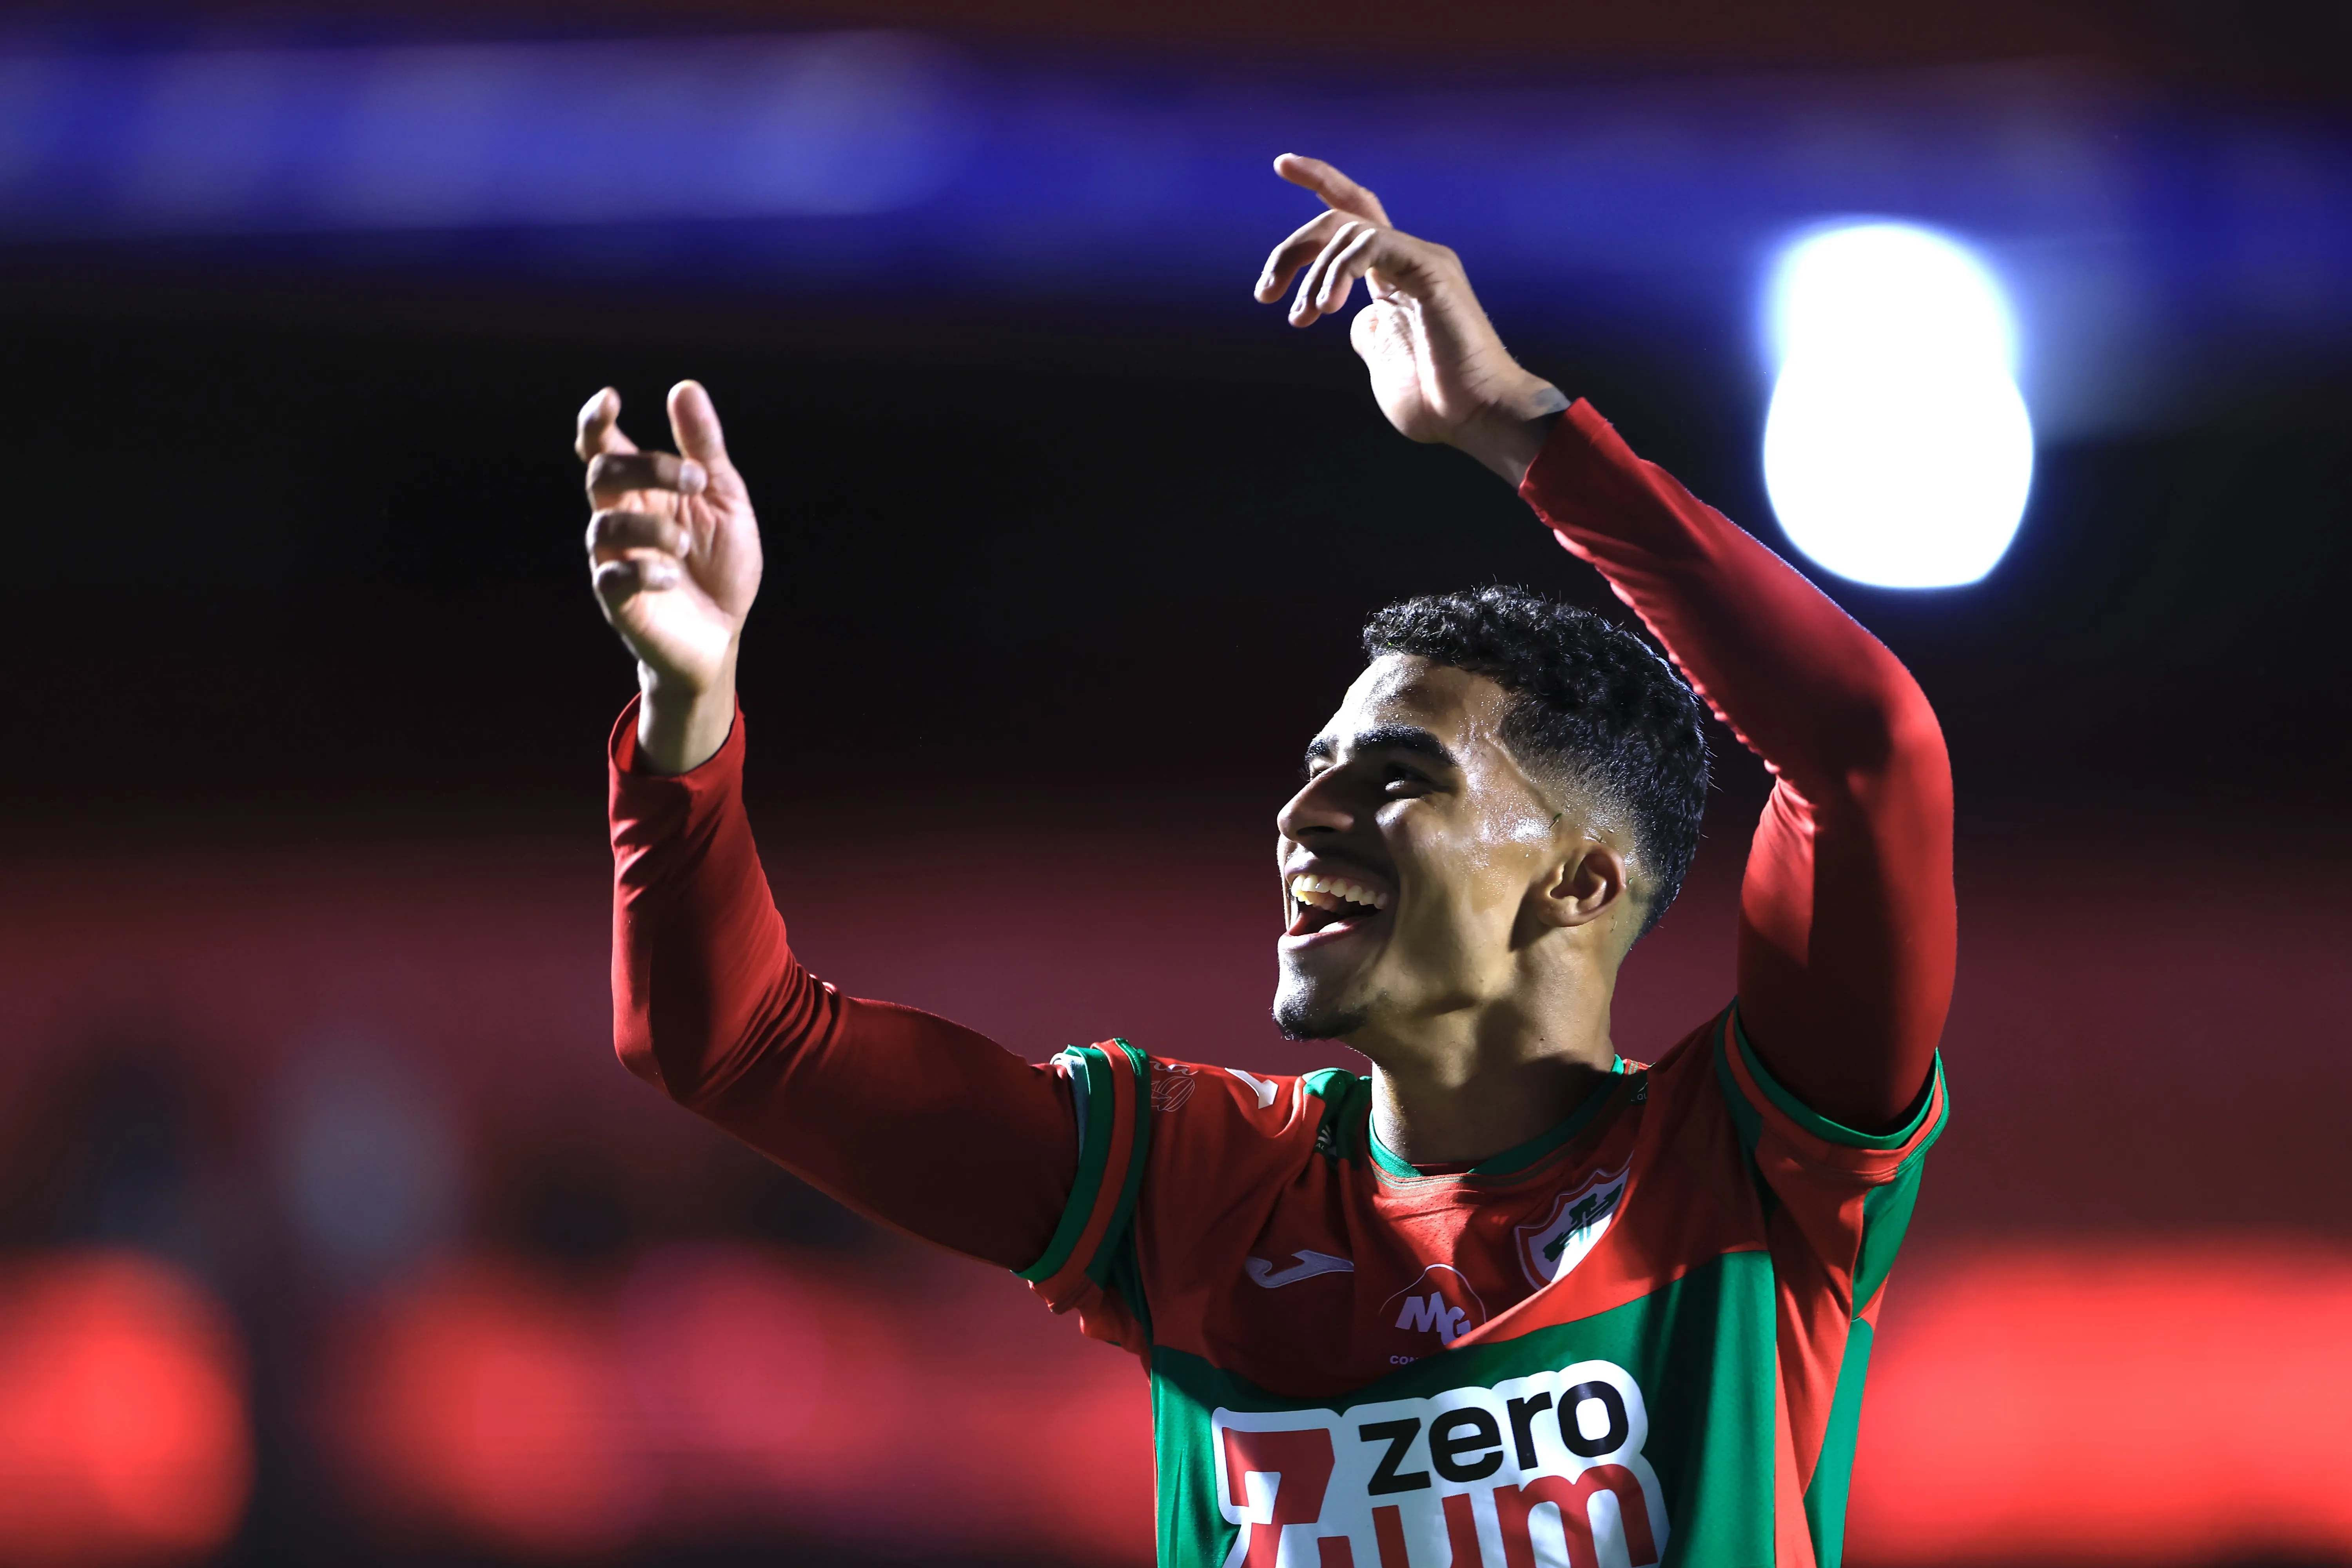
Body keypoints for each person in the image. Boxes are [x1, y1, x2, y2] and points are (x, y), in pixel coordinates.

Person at [577, 154, 1953, 1568]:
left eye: (1396, 776)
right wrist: (690, 713)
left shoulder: (1751, 1163)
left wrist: (1523, 433)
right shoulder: (1191, 1184)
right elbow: (729, 1044)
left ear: (1580, 883)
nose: (1305, 818)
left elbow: (1867, 755)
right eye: (1311, 772)